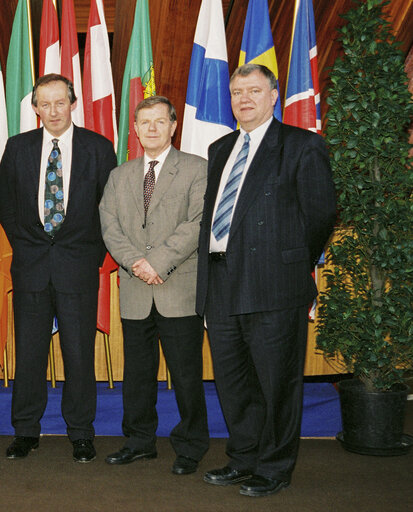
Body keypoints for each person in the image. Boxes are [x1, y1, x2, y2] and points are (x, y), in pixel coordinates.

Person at [196, 64, 336, 497]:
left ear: (274, 96)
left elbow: (320, 216)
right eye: (237, 92)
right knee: (234, 383)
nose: (244, 99)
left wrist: (287, 261)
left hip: (275, 285)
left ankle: (274, 467)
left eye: (254, 91)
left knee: (277, 383)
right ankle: (243, 458)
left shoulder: (301, 146)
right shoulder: (220, 148)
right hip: (220, 284)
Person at [0, 74, 117, 463]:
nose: (52, 111)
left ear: (73, 103)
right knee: (29, 355)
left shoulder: (99, 148)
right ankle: (25, 431)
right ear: (34, 108)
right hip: (31, 268)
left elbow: (108, 211)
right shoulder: (18, 147)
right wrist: (28, 248)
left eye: (60, 102)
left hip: (78, 268)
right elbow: (5, 208)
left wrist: (90, 254)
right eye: (44, 104)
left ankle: (81, 432)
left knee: (79, 355)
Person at [99, 96, 209, 473]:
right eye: (144, 122)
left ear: (173, 125)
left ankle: (192, 446)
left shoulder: (196, 169)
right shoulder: (120, 175)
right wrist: (135, 264)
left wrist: (157, 263)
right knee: (138, 375)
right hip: (134, 290)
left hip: (177, 288)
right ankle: (140, 441)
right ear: (135, 127)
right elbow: (109, 226)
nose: (151, 128)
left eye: (159, 121)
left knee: (186, 375)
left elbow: (197, 224)